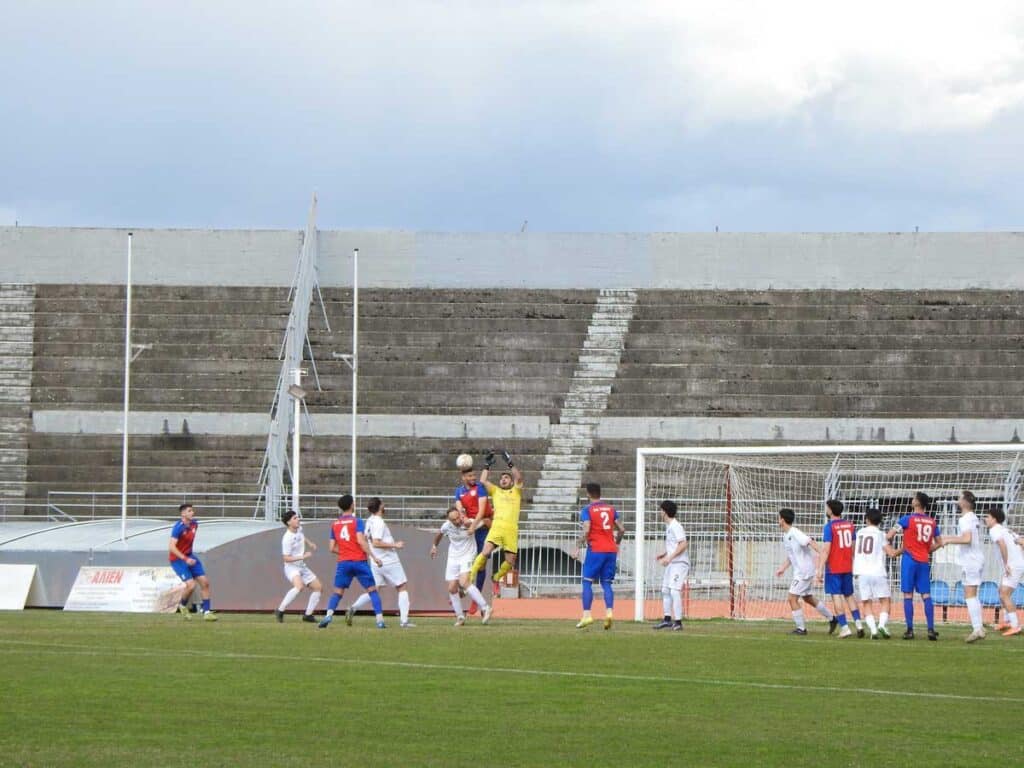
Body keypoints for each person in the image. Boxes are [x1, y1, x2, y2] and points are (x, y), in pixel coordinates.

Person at [318, 494, 385, 629]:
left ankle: (328, 616)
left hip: (343, 563)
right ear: (351, 505)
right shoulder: (357, 521)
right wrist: (373, 557)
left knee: (337, 592)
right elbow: (360, 541)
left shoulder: (335, 524)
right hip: (359, 561)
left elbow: (331, 548)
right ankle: (379, 621)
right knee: (372, 591)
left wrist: (345, 552)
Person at [347, 497, 415, 628]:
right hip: (388, 560)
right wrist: (395, 545)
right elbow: (376, 542)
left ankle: (353, 608)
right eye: (383, 504)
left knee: (375, 589)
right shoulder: (379, 522)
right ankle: (404, 621)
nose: (384, 506)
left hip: (375, 561)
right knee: (402, 586)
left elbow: (366, 538)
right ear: (379, 507)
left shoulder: (369, 521)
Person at [887, 491, 941, 641]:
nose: (911, 500)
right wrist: (925, 550)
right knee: (926, 595)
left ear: (917, 502)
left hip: (909, 560)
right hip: (923, 560)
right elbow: (940, 543)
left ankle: (910, 629)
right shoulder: (932, 522)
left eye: (913, 498)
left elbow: (890, 535)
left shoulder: (907, 519)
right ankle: (931, 629)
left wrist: (892, 548)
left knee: (908, 595)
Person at [468, 450, 523, 593]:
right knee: (485, 552)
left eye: (506, 478)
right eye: (502, 478)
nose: (503, 480)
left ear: (511, 482)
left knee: (510, 560)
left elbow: (519, 477)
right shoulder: (495, 491)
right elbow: (482, 481)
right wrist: (487, 465)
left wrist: (510, 463)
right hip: (497, 526)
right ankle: (471, 575)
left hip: (511, 529)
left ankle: (496, 577)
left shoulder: (516, 491)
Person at [572, 482, 625, 630]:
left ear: (588, 494)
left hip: (596, 550)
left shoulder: (587, 510)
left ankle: (587, 615)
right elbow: (621, 529)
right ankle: (609, 613)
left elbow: (587, 529)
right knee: (607, 583)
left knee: (587, 582)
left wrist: (578, 546)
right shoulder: (611, 509)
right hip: (611, 550)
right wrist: (617, 544)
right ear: (600, 493)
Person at [936, 490, 987, 642]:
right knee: (973, 594)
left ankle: (977, 628)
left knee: (969, 595)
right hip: (976, 559)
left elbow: (966, 539)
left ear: (965, 502)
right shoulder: (973, 517)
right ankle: (979, 627)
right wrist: (948, 537)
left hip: (970, 561)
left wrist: (948, 540)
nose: (958, 500)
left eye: (960, 498)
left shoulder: (965, 519)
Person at [775, 508, 834, 635]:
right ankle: (832, 618)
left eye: (779, 518)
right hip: (801, 571)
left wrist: (822, 553)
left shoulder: (795, 533)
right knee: (807, 598)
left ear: (782, 520)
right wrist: (782, 568)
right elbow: (791, 556)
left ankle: (801, 629)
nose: (778, 520)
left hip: (804, 572)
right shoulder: (786, 536)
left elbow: (810, 541)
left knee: (792, 598)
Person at [431, 505, 492, 625]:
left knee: (464, 582)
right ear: (449, 520)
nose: (457, 521)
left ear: (460, 515)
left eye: (458, 517)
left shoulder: (469, 522)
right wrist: (434, 546)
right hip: (453, 557)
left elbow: (487, 521)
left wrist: (487, 536)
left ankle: (486, 607)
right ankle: (460, 617)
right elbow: (439, 534)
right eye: (454, 520)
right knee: (452, 588)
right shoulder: (446, 526)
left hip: (468, 555)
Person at [816, 499, 864, 638]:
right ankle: (859, 624)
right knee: (849, 595)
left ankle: (844, 627)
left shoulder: (829, 527)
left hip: (834, 567)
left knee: (836, 595)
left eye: (827, 508)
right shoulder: (850, 525)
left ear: (831, 510)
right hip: (847, 566)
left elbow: (826, 549)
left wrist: (820, 568)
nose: (826, 510)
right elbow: (853, 547)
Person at [853, 508, 899, 639]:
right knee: (885, 600)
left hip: (862, 572)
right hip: (877, 572)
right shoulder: (880, 535)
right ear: (880, 522)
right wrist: (903, 548)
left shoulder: (859, 533)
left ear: (866, 519)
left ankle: (873, 630)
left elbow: (853, 549)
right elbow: (892, 553)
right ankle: (882, 625)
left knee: (866, 603)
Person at [169, 503, 217, 621]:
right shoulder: (178, 528)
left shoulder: (194, 524)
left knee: (205, 583)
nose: (192, 513)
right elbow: (171, 547)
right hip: (178, 559)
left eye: (192, 511)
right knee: (191, 586)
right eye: (189, 511)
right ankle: (182, 605)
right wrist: (185, 559)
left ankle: (206, 612)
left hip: (190, 556)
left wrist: (189, 557)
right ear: (183, 513)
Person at [454, 462, 491, 611]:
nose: (473, 478)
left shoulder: (480, 488)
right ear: (463, 477)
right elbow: (459, 508)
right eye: (470, 476)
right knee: (467, 560)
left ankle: (477, 598)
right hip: (470, 527)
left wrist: (473, 526)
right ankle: (465, 586)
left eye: (474, 475)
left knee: (481, 563)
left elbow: (481, 512)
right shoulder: (459, 491)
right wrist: (463, 517)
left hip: (481, 527)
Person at [276, 510, 322, 623]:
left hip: (301, 566)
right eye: (295, 518)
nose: (298, 520)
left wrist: (310, 543)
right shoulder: (287, 538)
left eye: (297, 517)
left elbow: (301, 536)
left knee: (318, 587)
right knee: (299, 587)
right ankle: (280, 610)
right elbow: (286, 558)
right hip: (291, 567)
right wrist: (303, 556)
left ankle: (308, 615)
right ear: (288, 522)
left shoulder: (299, 529)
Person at [984, 509, 1023, 637]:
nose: (985, 519)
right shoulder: (1006, 530)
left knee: (1004, 594)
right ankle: (1007, 621)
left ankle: (1015, 626)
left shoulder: (994, 530)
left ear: (994, 519)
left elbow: (1001, 544)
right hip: (1016, 564)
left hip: (1012, 566)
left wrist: (1007, 563)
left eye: (987, 517)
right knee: (1001, 591)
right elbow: (1022, 541)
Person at [652, 500, 689, 631]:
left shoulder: (675, 526)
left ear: (665, 512)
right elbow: (675, 545)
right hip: (672, 563)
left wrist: (669, 558)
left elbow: (683, 544)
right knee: (665, 590)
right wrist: (664, 554)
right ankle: (667, 619)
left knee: (674, 590)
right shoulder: (669, 526)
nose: (659, 512)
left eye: (661, 510)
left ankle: (678, 622)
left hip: (679, 563)